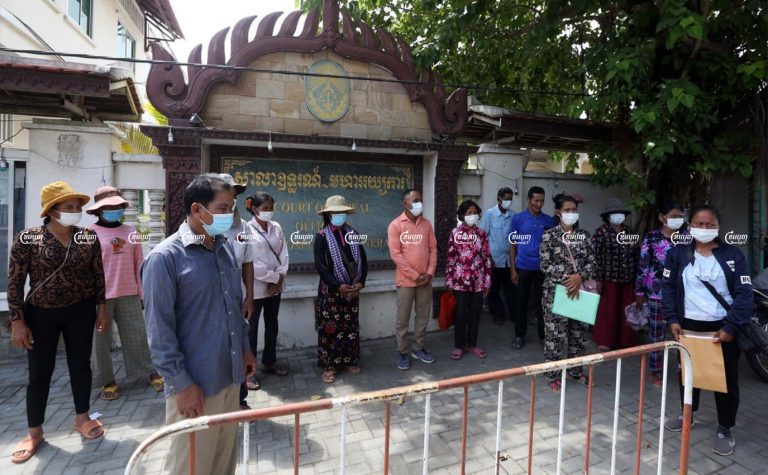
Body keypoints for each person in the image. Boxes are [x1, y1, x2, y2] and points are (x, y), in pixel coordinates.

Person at [142, 174, 257, 475]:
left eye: (231, 208)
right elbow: (159, 332)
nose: (229, 216)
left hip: (230, 380)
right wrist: (182, 384)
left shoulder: (223, 248)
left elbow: (234, 306)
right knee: (191, 467)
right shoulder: (165, 259)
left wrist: (244, 349)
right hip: (196, 388)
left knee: (223, 464)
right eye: (222, 208)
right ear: (197, 210)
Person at [8, 181, 108, 464]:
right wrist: (17, 321)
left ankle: (82, 417)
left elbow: (98, 276)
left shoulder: (87, 237)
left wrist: (102, 309)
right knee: (39, 373)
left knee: (80, 365)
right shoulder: (28, 238)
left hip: (81, 310)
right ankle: (35, 432)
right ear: (51, 210)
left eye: (77, 207)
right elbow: (15, 282)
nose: (75, 211)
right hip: (41, 314)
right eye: (69, 207)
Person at [662, 205, 752, 457]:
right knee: (688, 376)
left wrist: (731, 326)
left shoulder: (734, 255)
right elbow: (668, 288)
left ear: (718, 227)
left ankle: (725, 428)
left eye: (709, 224)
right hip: (688, 327)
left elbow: (745, 295)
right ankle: (688, 414)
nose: (704, 229)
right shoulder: (677, 254)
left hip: (722, 329)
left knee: (726, 381)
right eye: (699, 224)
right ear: (690, 226)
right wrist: (672, 319)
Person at [87, 186, 162, 401]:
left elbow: (139, 263)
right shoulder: (88, 234)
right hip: (100, 297)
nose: (115, 209)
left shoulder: (131, 232)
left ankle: (148, 371)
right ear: (99, 210)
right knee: (100, 340)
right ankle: (106, 380)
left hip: (129, 291)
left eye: (118, 206)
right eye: (109, 207)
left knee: (137, 335)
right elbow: (84, 269)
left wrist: (142, 293)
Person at [539, 193, 597, 392]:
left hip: (580, 292)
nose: (571, 214)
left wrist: (579, 276)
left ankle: (575, 371)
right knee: (555, 336)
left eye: (574, 210)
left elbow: (592, 262)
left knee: (579, 334)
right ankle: (553, 374)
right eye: (567, 210)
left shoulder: (584, 236)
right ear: (558, 213)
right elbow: (545, 265)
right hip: (556, 293)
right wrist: (569, 278)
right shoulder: (549, 236)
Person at [314, 195, 368, 384]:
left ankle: (349, 361)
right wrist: (338, 286)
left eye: (342, 212)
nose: (340, 215)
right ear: (329, 214)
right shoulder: (321, 237)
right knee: (331, 329)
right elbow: (321, 266)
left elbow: (363, 260)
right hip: (331, 293)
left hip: (352, 291)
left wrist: (361, 282)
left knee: (350, 328)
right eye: (336, 212)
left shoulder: (353, 233)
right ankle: (330, 365)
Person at [217, 174, 257, 410]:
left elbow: (248, 263)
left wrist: (249, 297)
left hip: (237, 301)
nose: (231, 200)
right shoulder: (204, 228)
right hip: (212, 304)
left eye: (233, 195)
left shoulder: (242, 228)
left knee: (239, 348)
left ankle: (239, 399)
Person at [635, 202, 686, 386]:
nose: (677, 219)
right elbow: (643, 265)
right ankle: (656, 371)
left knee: (682, 333)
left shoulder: (688, 238)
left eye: (680, 215)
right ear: (662, 217)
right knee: (656, 333)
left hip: (683, 294)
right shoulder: (651, 238)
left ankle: (683, 367)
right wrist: (640, 291)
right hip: (657, 293)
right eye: (673, 215)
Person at [387, 189, 437, 370]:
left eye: (421, 200)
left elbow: (433, 249)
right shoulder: (396, 225)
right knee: (403, 319)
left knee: (423, 317)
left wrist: (429, 272)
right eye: (416, 200)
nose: (419, 204)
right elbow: (396, 255)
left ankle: (419, 348)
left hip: (425, 280)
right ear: (405, 204)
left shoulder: (426, 224)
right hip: (407, 281)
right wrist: (415, 275)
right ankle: (402, 352)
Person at [245, 192, 290, 388]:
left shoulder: (277, 227)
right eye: (265, 209)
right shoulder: (246, 230)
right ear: (254, 209)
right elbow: (250, 263)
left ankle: (269, 362)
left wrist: (280, 277)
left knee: (272, 326)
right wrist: (273, 277)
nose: (269, 212)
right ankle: (249, 372)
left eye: (271, 208)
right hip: (255, 289)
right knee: (251, 330)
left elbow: (284, 254)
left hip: (275, 289)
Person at [508, 186, 554, 349]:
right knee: (521, 302)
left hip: (543, 268)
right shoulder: (518, 219)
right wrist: (513, 268)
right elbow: (512, 244)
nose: (539, 204)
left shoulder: (549, 221)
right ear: (529, 200)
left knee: (542, 303)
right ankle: (519, 335)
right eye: (536, 200)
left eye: (542, 201)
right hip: (522, 267)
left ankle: (543, 336)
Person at [446, 200, 492, 360]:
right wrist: (449, 281)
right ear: (462, 215)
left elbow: (486, 259)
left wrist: (487, 281)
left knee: (475, 313)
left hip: (478, 282)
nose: (472, 215)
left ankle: (472, 344)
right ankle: (459, 346)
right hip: (459, 282)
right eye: (468, 213)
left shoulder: (482, 234)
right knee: (460, 314)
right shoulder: (455, 233)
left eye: (474, 212)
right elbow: (451, 259)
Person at [592, 198, 639, 352]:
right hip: (608, 277)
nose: (618, 216)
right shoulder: (601, 232)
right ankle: (605, 339)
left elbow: (636, 253)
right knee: (608, 310)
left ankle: (625, 339)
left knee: (626, 308)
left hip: (628, 277)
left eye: (621, 213)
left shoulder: (630, 232)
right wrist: (597, 279)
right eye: (614, 213)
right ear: (608, 215)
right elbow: (595, 257)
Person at [480, 187, 517, 326]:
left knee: (512, 290)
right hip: (494, 261)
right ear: (499, 199)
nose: (508, 201)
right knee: (493, 290)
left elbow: (515, 238)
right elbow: (483, 237)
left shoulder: (513, 216)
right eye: (506, 199)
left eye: (510, 199)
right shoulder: (489, 214)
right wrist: (488, 258)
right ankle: (497, 315)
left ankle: (514, 315)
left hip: (510, 261)